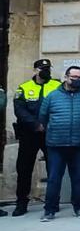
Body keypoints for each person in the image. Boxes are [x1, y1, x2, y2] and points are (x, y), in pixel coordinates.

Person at [38, 67, 80, 221]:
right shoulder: (53, 96)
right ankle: (49, 210)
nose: (77, 79)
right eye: (74, 77)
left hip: (79, 144)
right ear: (66, 77)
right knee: (54, 178)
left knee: (78, 178)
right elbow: (43, 116)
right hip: (56, 145)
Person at [12, 59, 60, 216]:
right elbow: (19, 110)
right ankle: (21, 202)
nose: (45, 71)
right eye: (42, 68)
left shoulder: (57, 85)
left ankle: (53, 201)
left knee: (53, 168)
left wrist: (48, 124)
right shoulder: (24, 88)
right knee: (24, 169)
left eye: (47, 68)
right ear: (35, 70)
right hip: (29, 134)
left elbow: (61, 106)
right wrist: (35, 124)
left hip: (50, 133)